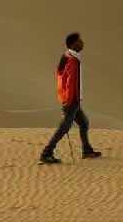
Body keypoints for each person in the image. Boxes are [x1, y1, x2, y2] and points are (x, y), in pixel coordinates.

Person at [39, 32, 102, 164]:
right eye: (79, 41)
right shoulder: (72, 60)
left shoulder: (66, 57)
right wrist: (67, 100)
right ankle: (47, 152)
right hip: (71, 100)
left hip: (72, 100)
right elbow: (70, 82)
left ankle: (86, 149)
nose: (82, 43)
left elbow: (61, 77)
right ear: (73, 44)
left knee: (84, 123)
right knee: (64, 127)